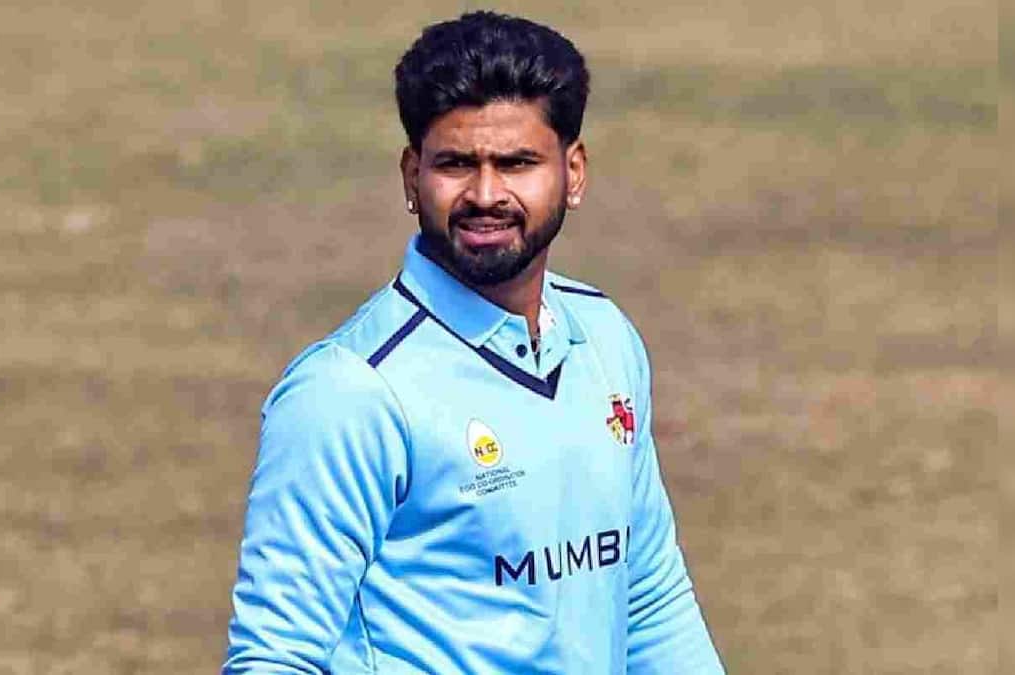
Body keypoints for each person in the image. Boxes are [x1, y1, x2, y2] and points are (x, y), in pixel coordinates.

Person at [222, 11, 724, 674]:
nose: (486, 195)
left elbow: (650, 595)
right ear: (412, 175)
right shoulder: (349, 391)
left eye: (517, 163)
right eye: (456, 164)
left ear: (573, 172)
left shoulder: (605, 339)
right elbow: (275, 657)